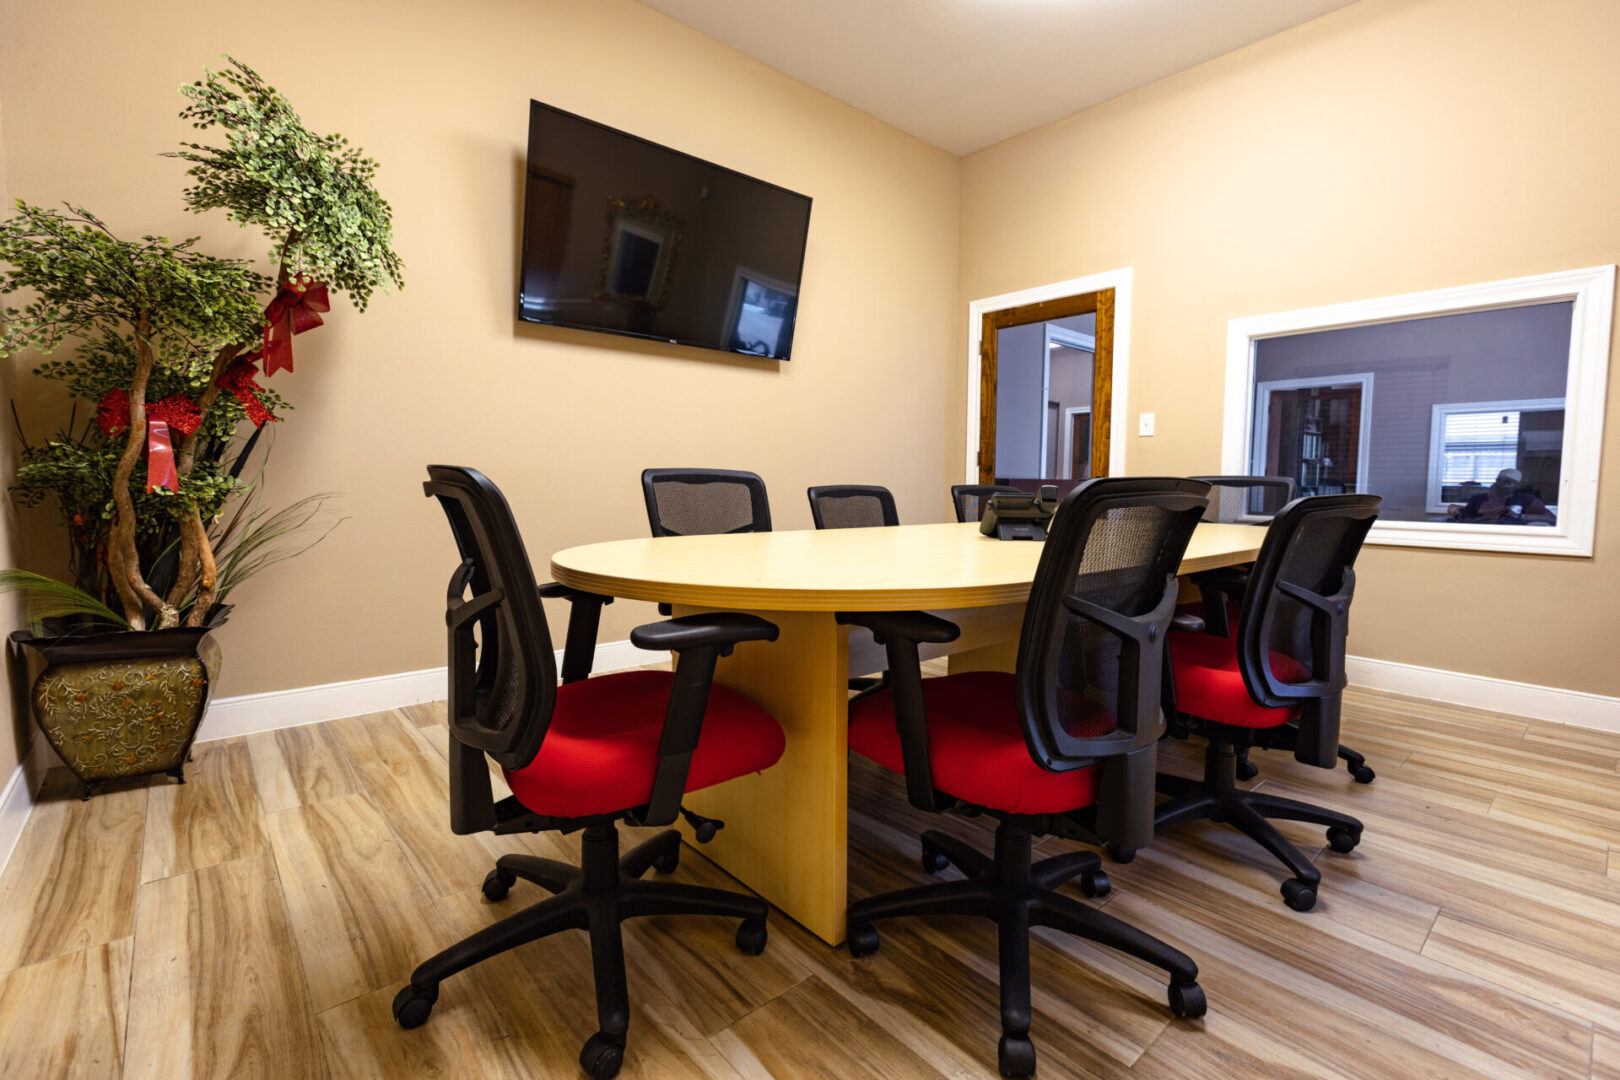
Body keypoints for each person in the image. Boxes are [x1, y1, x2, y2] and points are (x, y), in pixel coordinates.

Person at [1448, 468, 1556, 525]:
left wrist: (1519, 516)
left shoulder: (1526, 499)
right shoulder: (1479, 499)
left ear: (1517, 485)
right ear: (1496, 481)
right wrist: (1456, 511)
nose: (1503, 485)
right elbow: (1464, 518)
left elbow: (1551, 518)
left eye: (1509, 482)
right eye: (1501, 481)